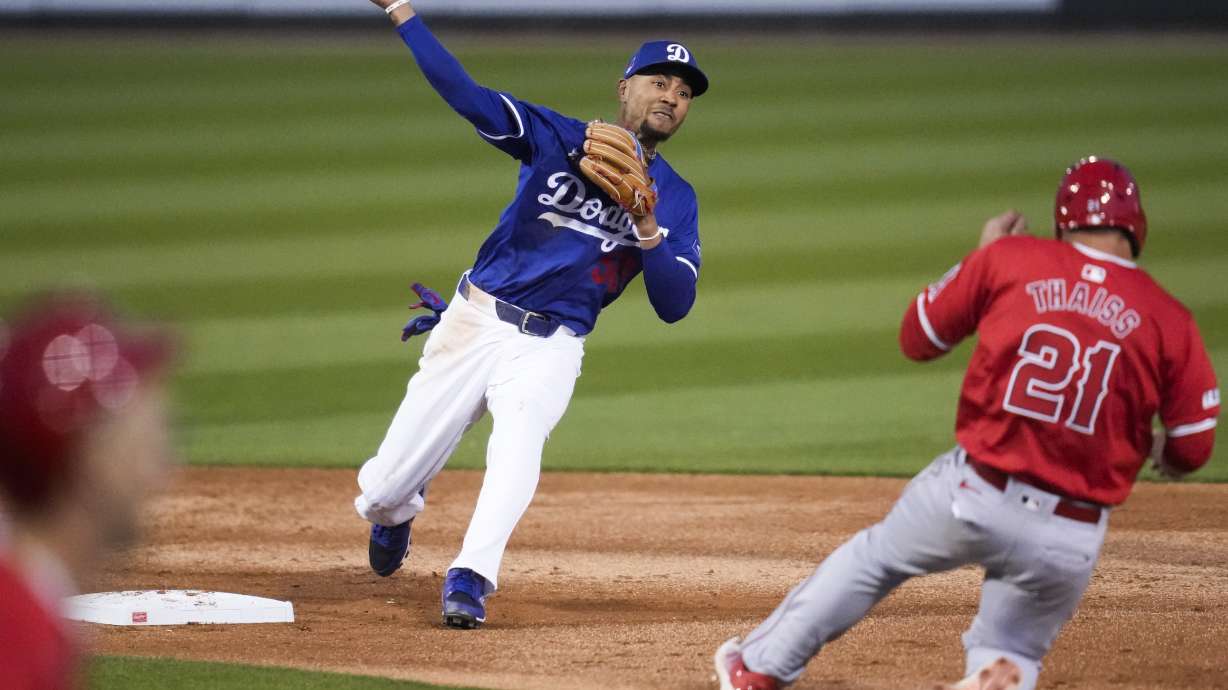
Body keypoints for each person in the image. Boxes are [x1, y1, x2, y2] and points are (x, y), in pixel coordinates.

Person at [713, 157, 1219, 690]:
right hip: (1069, 534)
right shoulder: (1170, 318)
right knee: (1012, 646)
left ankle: (759, 670)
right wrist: (1158, 447)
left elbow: (919, 339)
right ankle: (998, 673)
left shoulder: (1013, 258)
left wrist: (981, 259)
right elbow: (1193, 449)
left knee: (877, 559)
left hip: (973, 496)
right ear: (1136, 225)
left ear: (1064, 220)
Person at [356, 0, 708, 629]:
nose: (671, 97)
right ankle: (398, 513)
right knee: (381, 491)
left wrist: (647, 225)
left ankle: (470, 577)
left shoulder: (676, 200)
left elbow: (675, 306)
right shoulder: (558, 138)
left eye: (683, 92)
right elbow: (466, 95)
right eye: (659, 82)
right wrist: (403, 12)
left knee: (517, 447)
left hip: (550, 348)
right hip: (474, 322)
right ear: (624, 88)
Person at [0, 294, 176, 690]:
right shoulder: (14, 636)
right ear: (95, 461)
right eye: (142, 443)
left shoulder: (27, 607)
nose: (163, 470)